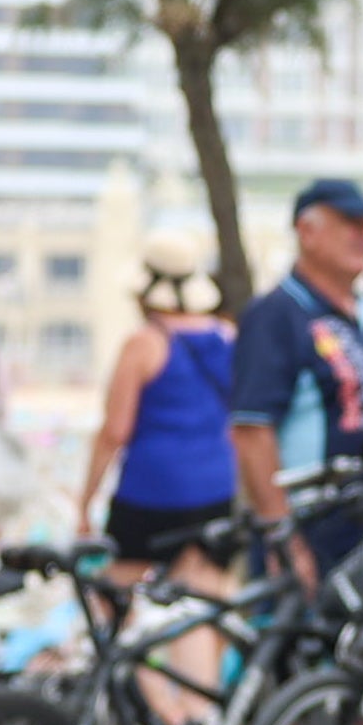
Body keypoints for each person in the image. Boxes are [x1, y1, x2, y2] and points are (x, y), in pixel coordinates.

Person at [229, 178, 363, 581]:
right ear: (307, 232)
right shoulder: (278, 314)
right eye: (349, 222)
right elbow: (252, 429)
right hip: (315, 529)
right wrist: (281, 533)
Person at [85, 229, 246, 593]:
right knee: (203, 601)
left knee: (115, 595)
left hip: (151, 490)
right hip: (216, 487)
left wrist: (85, 501)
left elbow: (115, 431)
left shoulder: (143, 343)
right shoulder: (227, 337)